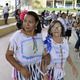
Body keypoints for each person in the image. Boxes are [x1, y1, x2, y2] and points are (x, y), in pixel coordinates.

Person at [6, 11, 46, 80]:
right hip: (22, 75)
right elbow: (8, 55)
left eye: (30, 22)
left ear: (36, 23)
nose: (26, 24)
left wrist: (44, 74)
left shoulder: (39, 35)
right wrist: (21, 69)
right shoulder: (17, 36)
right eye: (25, 21)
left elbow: (41, 55)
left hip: (37, 74)